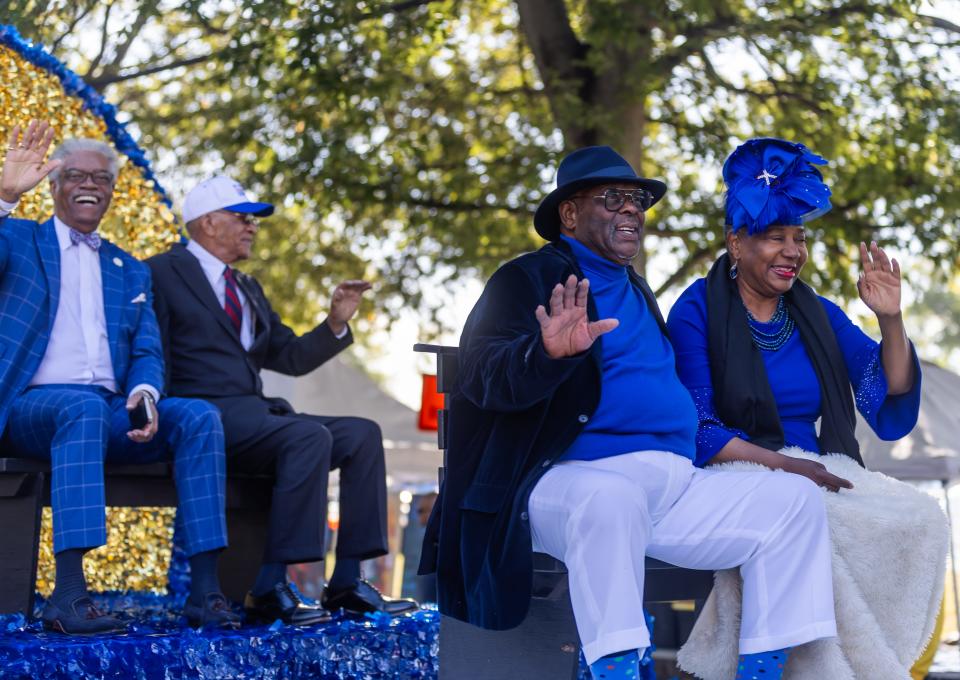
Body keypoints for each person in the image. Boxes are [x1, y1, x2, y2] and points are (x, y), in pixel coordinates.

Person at [419, 145, 838, 680]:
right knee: (610, 498)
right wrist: (545, 355)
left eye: (636, 200)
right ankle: (617, 670)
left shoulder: (637, 287)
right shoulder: (525, 279)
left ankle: (758, 672)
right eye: (612, 198)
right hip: (563, 484)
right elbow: (481, 375)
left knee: (793, 501)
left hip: (672, 486)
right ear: (568, 215)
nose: (631, 210)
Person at [667, 137, 945, 678]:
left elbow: (884, 388)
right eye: (775, 237)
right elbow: (698, 429)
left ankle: (873, 663)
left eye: (799, 237)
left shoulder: (813, 310)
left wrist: (890, 319)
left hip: (815, 466)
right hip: (735, 465)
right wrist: (791, 468)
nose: (792, 250)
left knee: (919, 519)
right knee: (811, 517)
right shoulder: (695, 310)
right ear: (735, 242)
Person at [147, 175, 417, 624]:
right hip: (200, 416)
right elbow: (145, 349)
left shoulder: (247, 288)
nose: (253, 227)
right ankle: (269, 585)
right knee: (307, 435)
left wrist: (334, 322)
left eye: (254, 220)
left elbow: (289, 357)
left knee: (362, 434)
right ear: (208, 223)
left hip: (257, 415)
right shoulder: (159, 272)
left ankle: (347, 582)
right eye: (243, 217)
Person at [0, 120, 236, 633]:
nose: (89, 184)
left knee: (197, 416)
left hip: (109, 409)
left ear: (111, 192)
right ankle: (68, 595)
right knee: (78, 408)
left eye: (101, 178)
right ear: (55, 184)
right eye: (76, 175)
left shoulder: (129, 269)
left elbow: (148, 350)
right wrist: (3, 198)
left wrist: (145, 394)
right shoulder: (18, 239)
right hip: (32, 407)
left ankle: (206, 590)